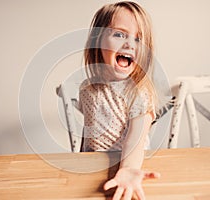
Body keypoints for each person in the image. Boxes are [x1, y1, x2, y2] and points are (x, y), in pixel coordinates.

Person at [78, 1, 160, 199]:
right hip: (93, 168)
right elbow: (88, 130)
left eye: (138, 40)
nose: (129, 44)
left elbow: (136, 140)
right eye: (119, 34)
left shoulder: (139, 93)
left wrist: (129, 169)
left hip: (129, 168)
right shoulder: (87, 88)